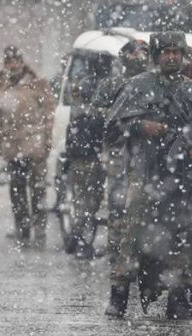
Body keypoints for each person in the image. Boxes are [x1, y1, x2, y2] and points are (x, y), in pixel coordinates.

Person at [104, 31, 192, 319]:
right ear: (155, 55)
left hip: (184, 177)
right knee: (133, 235)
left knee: (184, 237)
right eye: (166, 51)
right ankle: (119, 295)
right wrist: (141, 126)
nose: (171, 56)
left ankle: (179, 297)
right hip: (145, 172)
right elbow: (112, 128)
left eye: (176, 51)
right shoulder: (137, 87)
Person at [92, 39, 149, 265]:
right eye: (136, 54)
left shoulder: (151, 82)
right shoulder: (113, 83)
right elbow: (99, 110)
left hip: (144, 148)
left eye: (144, 54)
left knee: (143, 199)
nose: (141, 59)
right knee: (117, 199)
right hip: (118, 147)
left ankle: (138, 248)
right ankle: (115, 247)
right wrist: (121, 118)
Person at [0, 45, 54, 247]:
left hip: (34, 144)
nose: (13, 66)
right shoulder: (2, 85)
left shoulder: (37, 83)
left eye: (16, 61)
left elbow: (48, 112)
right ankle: (22, 228)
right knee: (17, 190)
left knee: (37, 189)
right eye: (9, 62)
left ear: (21, 62)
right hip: (13, 145)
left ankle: (40, 230)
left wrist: (46, 138)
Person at [63, 76, 105, 258]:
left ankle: (77, 238)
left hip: (77, 164)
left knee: (81, 203)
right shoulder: (96, 116)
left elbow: (69, 142)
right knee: (90, 205)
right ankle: (79, 240)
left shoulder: (75, 115)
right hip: (91, 164)